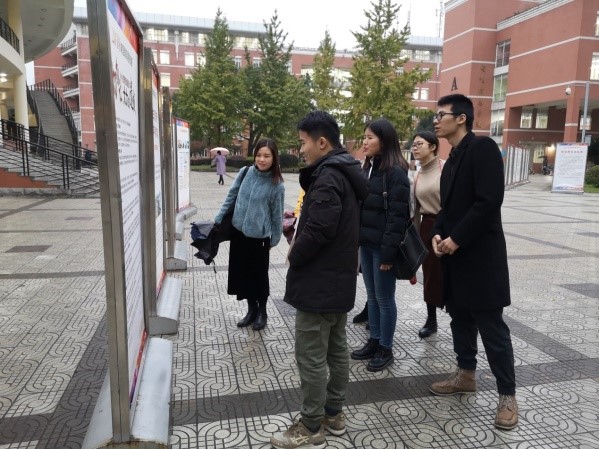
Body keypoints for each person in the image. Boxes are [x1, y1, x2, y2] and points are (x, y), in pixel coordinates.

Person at [270, 111, 368, 449]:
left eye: (303, 143)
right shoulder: (347, 172)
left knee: (311, 354)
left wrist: (295, 253)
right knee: (336, 350)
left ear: (322, 142)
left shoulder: (328, 177)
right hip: (338, 280)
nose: (301, 150)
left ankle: (311, 424)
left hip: (319, 282)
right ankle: (333, 414)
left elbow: (320, 230)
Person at [429, 93, 518, 430]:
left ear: (461, 118)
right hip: (456, 258)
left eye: (441, 114)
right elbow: (446, 208)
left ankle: (507, 396)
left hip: (481, 258)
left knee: (492, 327)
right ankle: (465, 374)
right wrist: (438, 233)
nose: (436, 120)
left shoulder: (483, 148)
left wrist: (457, 238)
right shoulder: (451, 158)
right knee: (460, 318)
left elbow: (489, 201)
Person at [350, 118, 410, 372]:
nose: (365, 142)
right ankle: (374, 340)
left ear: (384, 141)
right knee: (372, 297)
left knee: (384, 299)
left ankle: (386, 347)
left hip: (383, 248)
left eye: (370, 138)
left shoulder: (396, 173)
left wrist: (388, 254)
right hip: (366, 244)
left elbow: (397, 218)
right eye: (364, 137)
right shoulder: (369, 168)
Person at [214, 139, 284, 331]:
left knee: (259, 277)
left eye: (267, 156)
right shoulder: (245, 173)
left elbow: (277, 215)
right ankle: (251, 310)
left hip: (259, 238)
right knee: (243, 274)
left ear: (274, 158)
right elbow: (231, 196)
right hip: (239, 234)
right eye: (259, 155)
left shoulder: (277, 184)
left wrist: (274, 239)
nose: (262, 159)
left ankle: (262, 312)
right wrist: (219, 218)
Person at [411, 131, 445, 338]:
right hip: (427, 226)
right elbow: (415, 210)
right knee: (430, 275)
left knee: (450, 273)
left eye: (419, 144)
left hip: (447, 226)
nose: (415, 148)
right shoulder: (416, 175)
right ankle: (431, 320)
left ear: (433, 147)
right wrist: (414, 240)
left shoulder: (445, 169)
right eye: (414, 144)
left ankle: (460, 317)